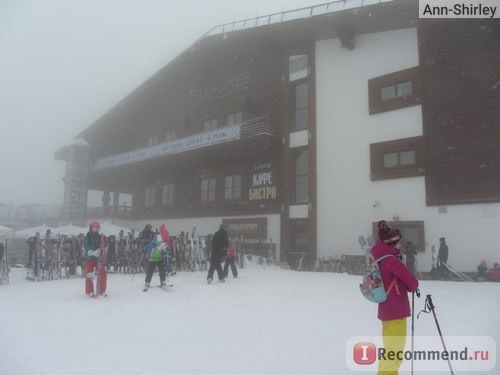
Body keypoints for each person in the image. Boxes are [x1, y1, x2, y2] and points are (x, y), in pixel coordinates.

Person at [371, 220, 419, 375]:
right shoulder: (392, 260)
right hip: (396, 311)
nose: (401, 245)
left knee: (390, 351)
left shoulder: (381, 259)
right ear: (392, 243)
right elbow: (412, 282)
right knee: (394, 353)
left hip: (387, 310)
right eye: (399, 242)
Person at [83, 220, 107, 297]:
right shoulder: (87, 236)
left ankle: (101, 290)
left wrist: (101, 248)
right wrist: (93, 250)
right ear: (91, 228)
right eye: (95, 228)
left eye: (98, 229)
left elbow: (102, 245)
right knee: (89, 273)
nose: (96, 230)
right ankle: (89, 291)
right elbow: (86, 246)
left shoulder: (99, 236)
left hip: (98, 258)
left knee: (102, 272)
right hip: (90, 258)